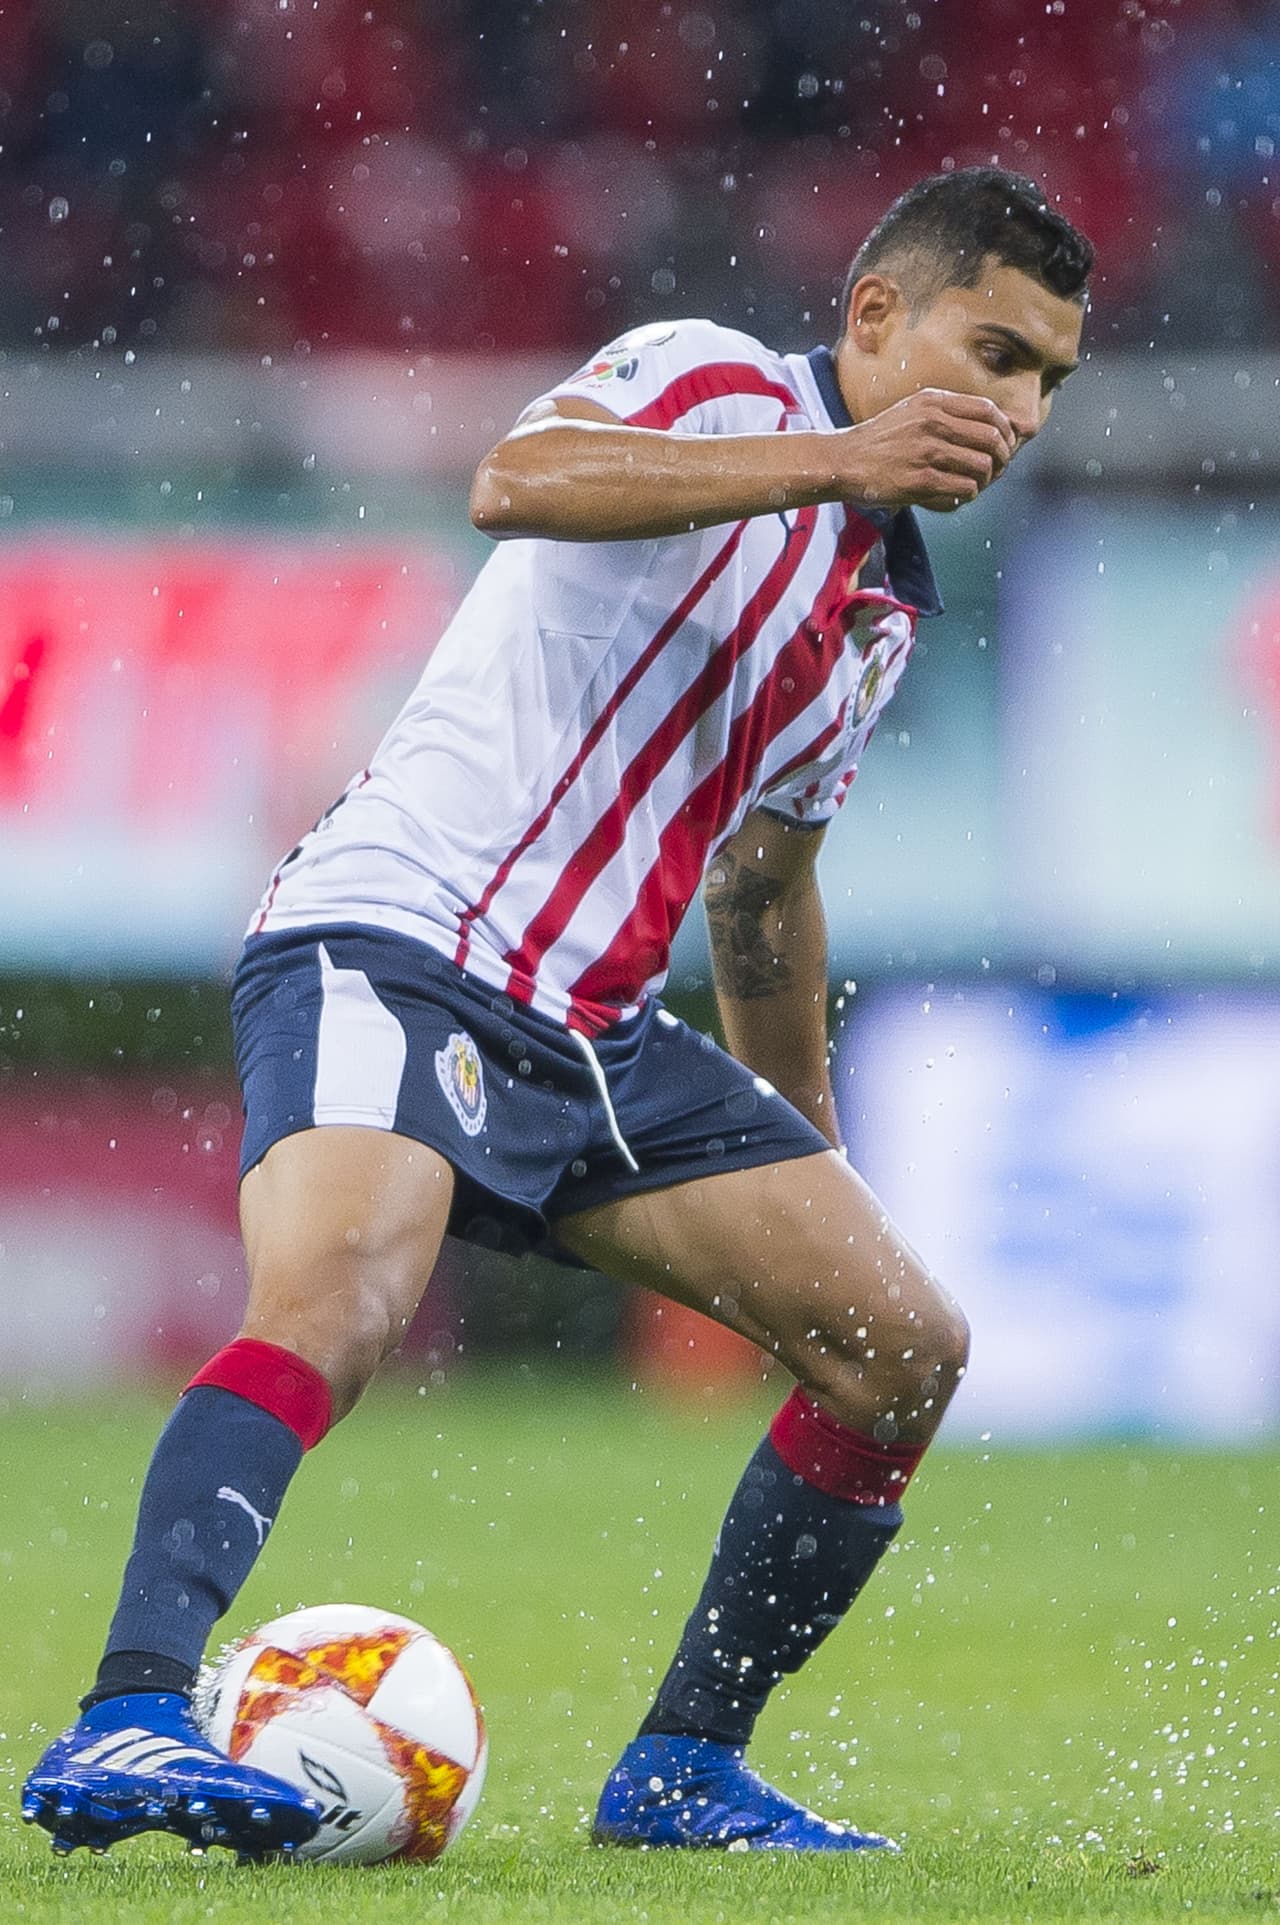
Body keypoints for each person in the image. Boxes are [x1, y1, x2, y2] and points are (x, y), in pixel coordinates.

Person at [24, 166, 1090, 1858]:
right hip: (400, 929)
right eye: (997, 351)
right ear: (878, 317)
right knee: (346, 1298)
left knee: (900, 1346)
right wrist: (836, 463)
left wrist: (803, 1158)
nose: (1020, 411)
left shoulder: (877, 616)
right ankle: (132, 1715)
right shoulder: (709, 377)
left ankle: (681, 1766)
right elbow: (515, 480)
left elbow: (760, 897)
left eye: (1049, 380)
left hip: (594, 1025)